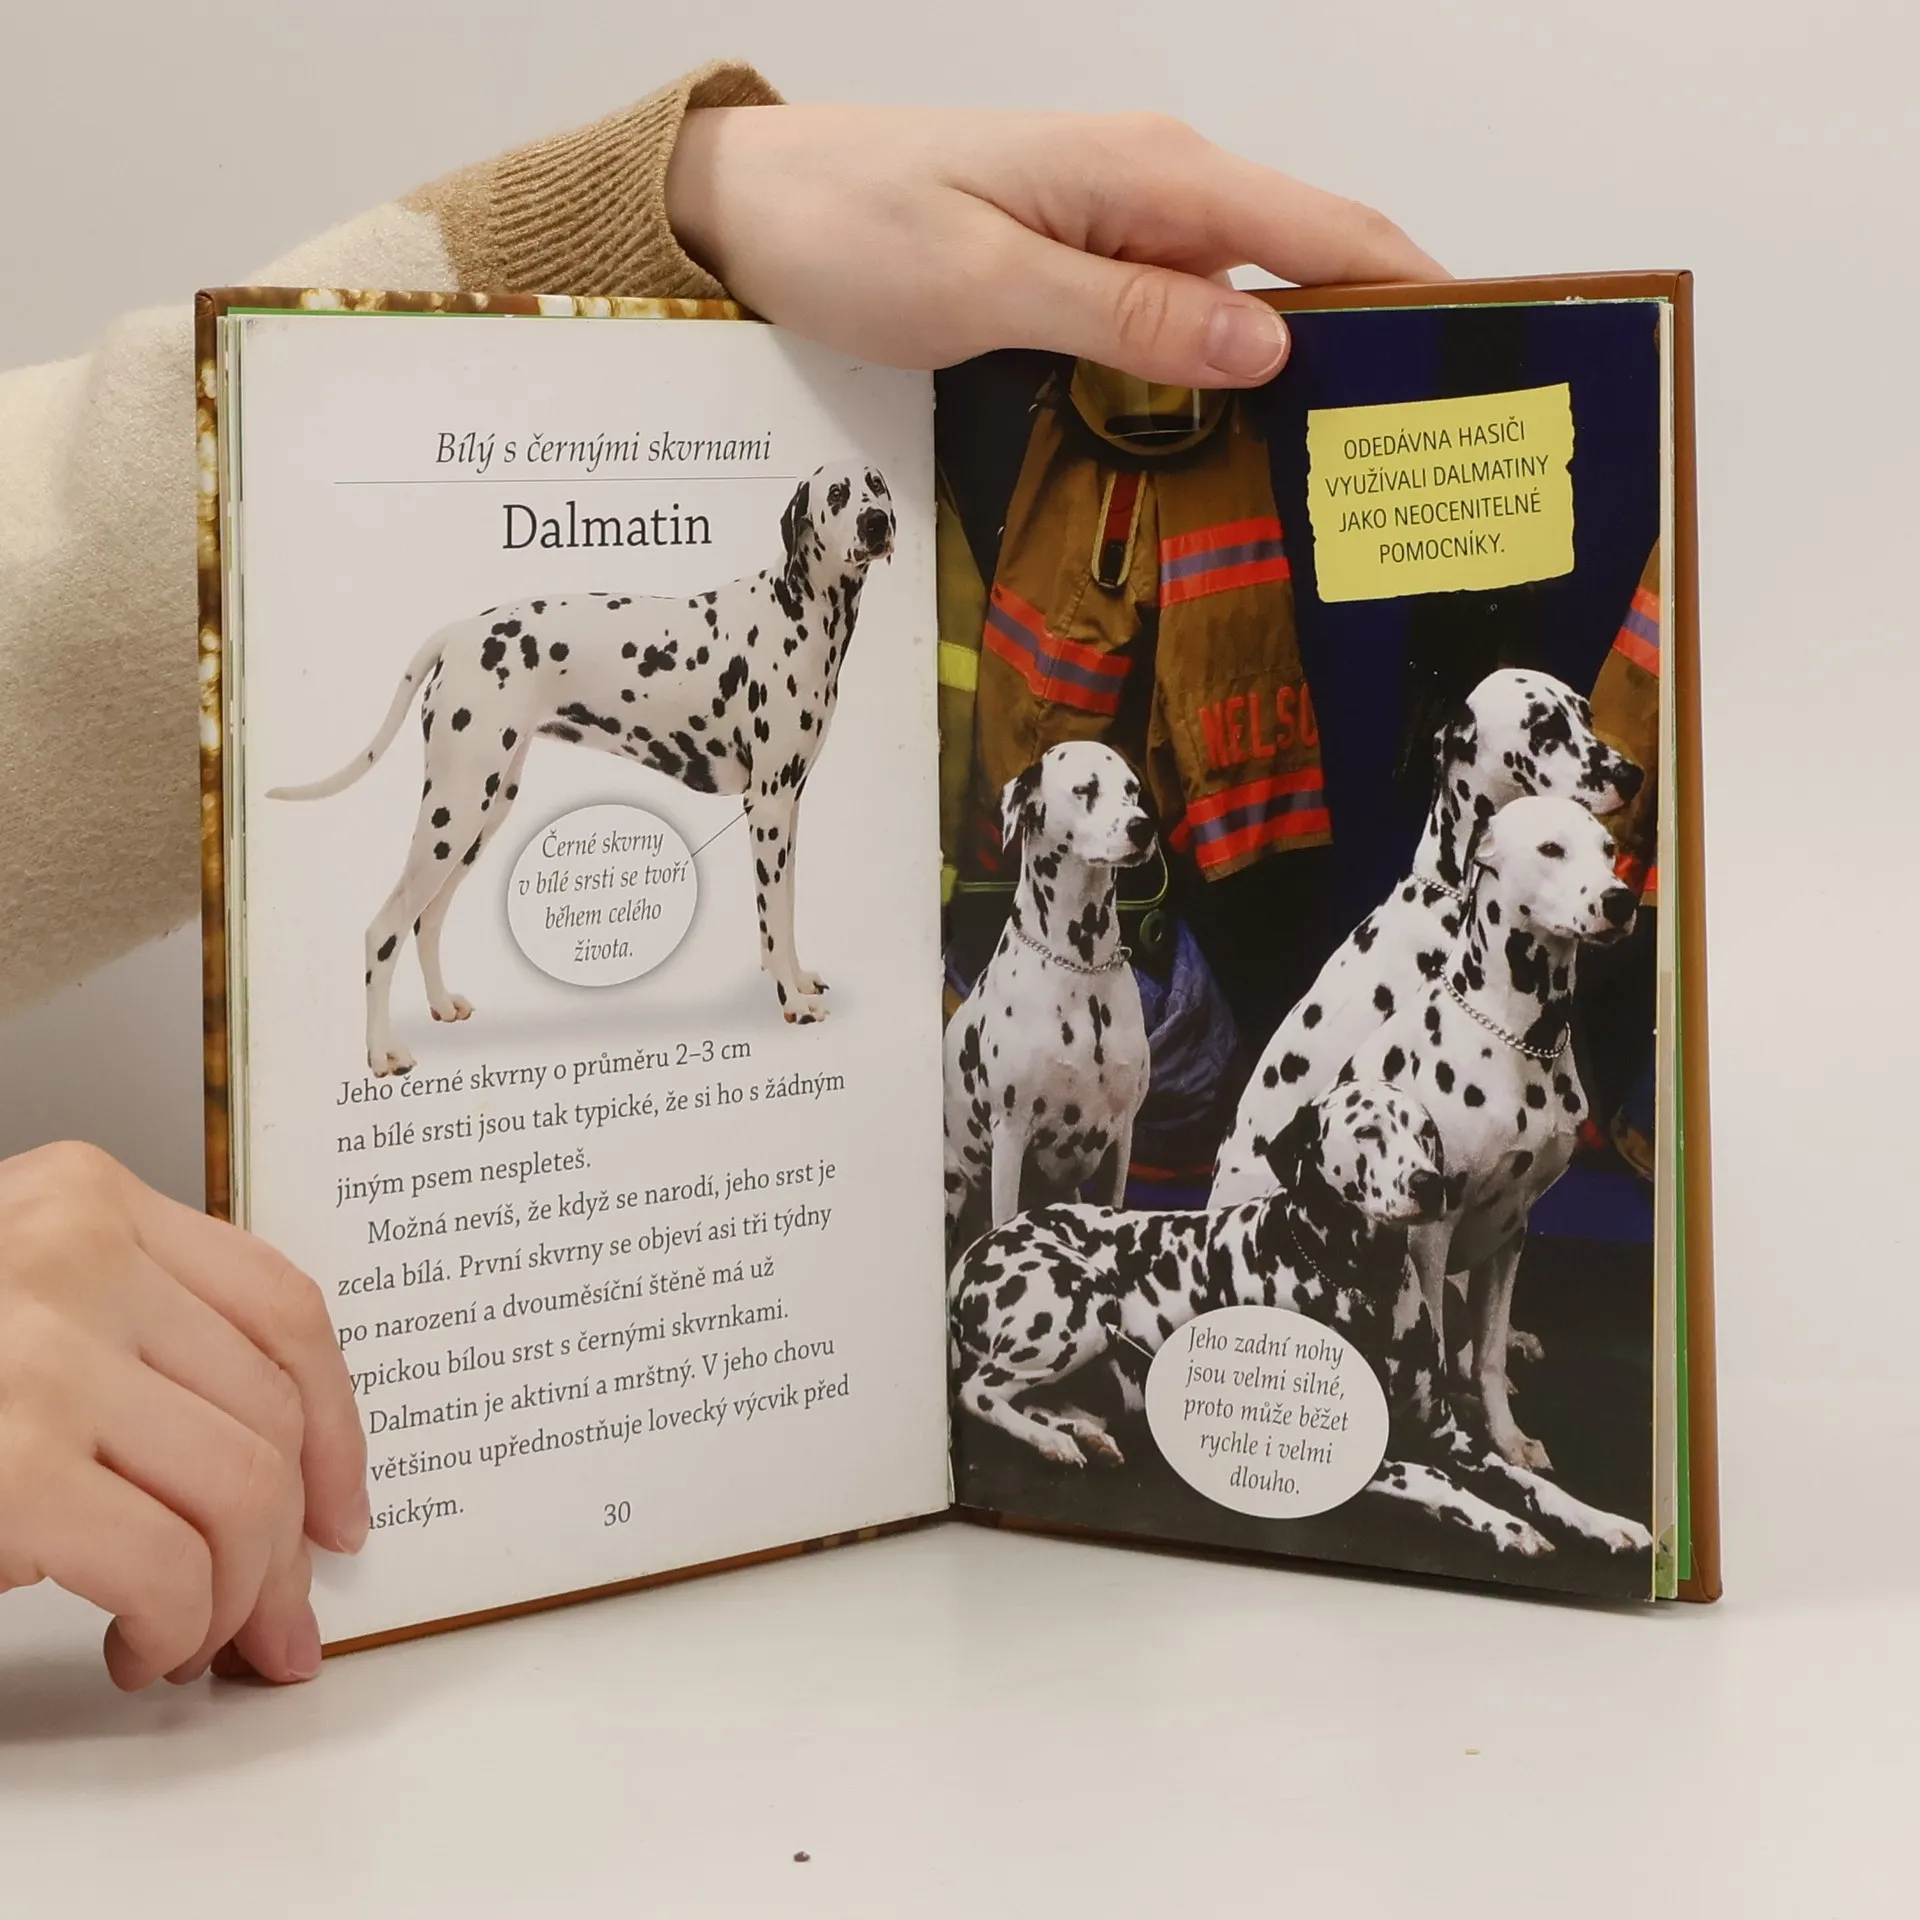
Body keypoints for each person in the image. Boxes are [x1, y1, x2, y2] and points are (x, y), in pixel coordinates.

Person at [0, 62, 1442, 1691]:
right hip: (534, 731)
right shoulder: (710, 638)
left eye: (869, 516)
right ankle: (395, 982)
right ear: (808, 533)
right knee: (460, 837)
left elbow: (53, 569)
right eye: (845, 515)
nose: (863, 531)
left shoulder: (817, 636)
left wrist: (690, 201)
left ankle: (630, 989)